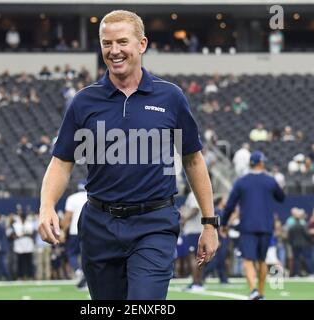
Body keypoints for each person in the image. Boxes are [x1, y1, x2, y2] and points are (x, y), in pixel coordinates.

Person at [39, 10, 218, 300]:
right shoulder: (84, 101)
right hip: (99, 224)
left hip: (154, 223)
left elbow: (193, 160)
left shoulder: (170, 97)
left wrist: (210, 224)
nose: (114, 51)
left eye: (122, 42)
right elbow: (61, 161)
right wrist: (46, 206)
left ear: (142, 44)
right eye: (107, 44)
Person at [221, 151, 285, 300]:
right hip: (266, 226)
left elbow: (230, 205)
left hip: (247, 226)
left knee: (248, 259)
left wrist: (224, 223)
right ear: (261, 163)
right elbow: (281, 197)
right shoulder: (270, 180)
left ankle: (253, 291)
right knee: (262, 260)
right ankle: (261, 293)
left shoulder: (241, 181)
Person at [60, 181, 88, 289]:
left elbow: (67, 218)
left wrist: (62, 231)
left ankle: (78, 271)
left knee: (71, 254)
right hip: (90, 231)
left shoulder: (72, 198)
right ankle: (85, 277)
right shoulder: (92, 195)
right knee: (87, 256)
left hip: (75, 231)